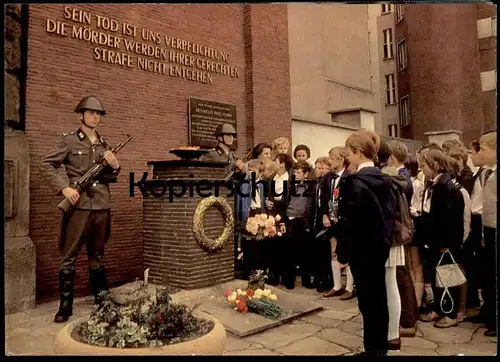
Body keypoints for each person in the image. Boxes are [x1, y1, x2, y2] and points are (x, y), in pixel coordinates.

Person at [40, 95, 121, 323]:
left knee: (97, 254)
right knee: (69, 255)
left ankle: (102, 299)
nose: (96, 116)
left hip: (101, 205)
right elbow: (46, 165)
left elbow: (110, 176)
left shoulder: (104, 143)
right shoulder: (68, 141)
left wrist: (115, 166)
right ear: (81, 115)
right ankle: (65, 305)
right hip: (78, 206)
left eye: (98, 114)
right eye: (91, 112)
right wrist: (64, 189)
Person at [336, 131, 396, 356]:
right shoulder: (384, 180)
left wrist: (343, 254)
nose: (347, 159)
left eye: (349, 154)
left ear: (359, 153)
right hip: (379, 249)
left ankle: (374, 351)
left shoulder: (355, 183)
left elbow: (349, 223)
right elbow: (389, 217)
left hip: (362, 252)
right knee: (378, 300)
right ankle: (378, 349)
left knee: (368, 303)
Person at [418, 148, 464, 328]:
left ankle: (450, 313)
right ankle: (439, 308)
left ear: (434, 165)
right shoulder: (434, 184)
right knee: (436, 277)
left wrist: (447, 243)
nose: (422, 168)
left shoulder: (447, 187)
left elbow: (450, 219)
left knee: (447, 277)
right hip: (434, 240)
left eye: (424, 165)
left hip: (445, 242)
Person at [322, 147, 355, 300]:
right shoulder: (328, 177)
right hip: (331, 219)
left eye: (333, 158)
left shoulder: (350, 176)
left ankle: (349, 287)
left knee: (348, 253)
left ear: (342, 159)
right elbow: (323, 198)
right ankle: (337, 286)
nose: (330, 161)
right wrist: (324, 215)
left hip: (345, 221)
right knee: (333, 250)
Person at [278, 161, 312, 289]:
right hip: (289, 219)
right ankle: (289, 281)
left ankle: (306, 280)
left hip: (302, 221)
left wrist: (306, 221)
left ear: (306, 174)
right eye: (294, 172)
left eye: (298, 172)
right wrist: (283, 221)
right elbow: (283, 204)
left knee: (304, 252)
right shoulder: (289, 186)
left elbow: (310, 206)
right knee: (288, 251)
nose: (295, 174)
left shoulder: (310, 187)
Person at [463, 140, 487, 319]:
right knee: (478, 263)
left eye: (474, 152)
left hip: (483, 220)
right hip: (476, 220)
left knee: (483, 264)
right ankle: (484, 306)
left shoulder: (486, 175)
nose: (471, 156)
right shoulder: (479, 173)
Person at [477, 131, 497, 337]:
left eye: (484, 150)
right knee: (488, 273)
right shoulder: (486, 172)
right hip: (489, 228)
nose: (481, 154)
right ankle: (490, 315)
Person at [309, 157, 334, 293]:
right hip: (317, 218)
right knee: (318, 250)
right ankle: (319, 277)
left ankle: (327, 280)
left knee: (326, 251)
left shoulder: (329, 182)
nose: (318, 171)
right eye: (317, 168)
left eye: (322, 168)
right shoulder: (316, 183)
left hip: (327, 218)